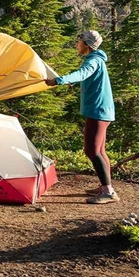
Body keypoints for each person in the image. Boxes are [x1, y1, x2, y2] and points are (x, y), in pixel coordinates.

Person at [44, 30, 118, 204]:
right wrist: (70, 80)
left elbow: (83, 73)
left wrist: (58, 81)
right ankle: (106, 186)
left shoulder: (93, 60)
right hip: (103, 111)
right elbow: (86, 77)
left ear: (87, 44)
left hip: (97, 111)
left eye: (79, 41)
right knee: (100, 151)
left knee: (91, 150)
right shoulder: (97, 60)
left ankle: (108, 192)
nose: (77, 44)